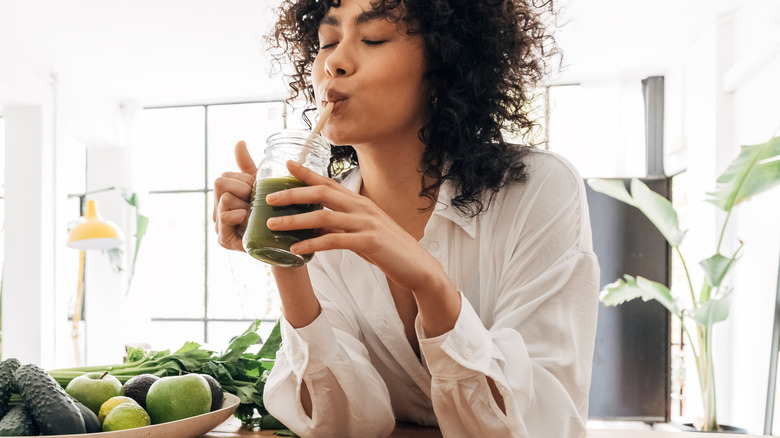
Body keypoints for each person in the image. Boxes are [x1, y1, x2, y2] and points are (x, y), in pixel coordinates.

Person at [213, 0, 599, 436]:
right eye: (327, 41)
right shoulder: (317, 208)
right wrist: (281, 249)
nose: (335, 63)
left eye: (373, 38)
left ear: (443, 65)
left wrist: (431, 286)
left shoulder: (538, 189)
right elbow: (340, 426)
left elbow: (544, 421)